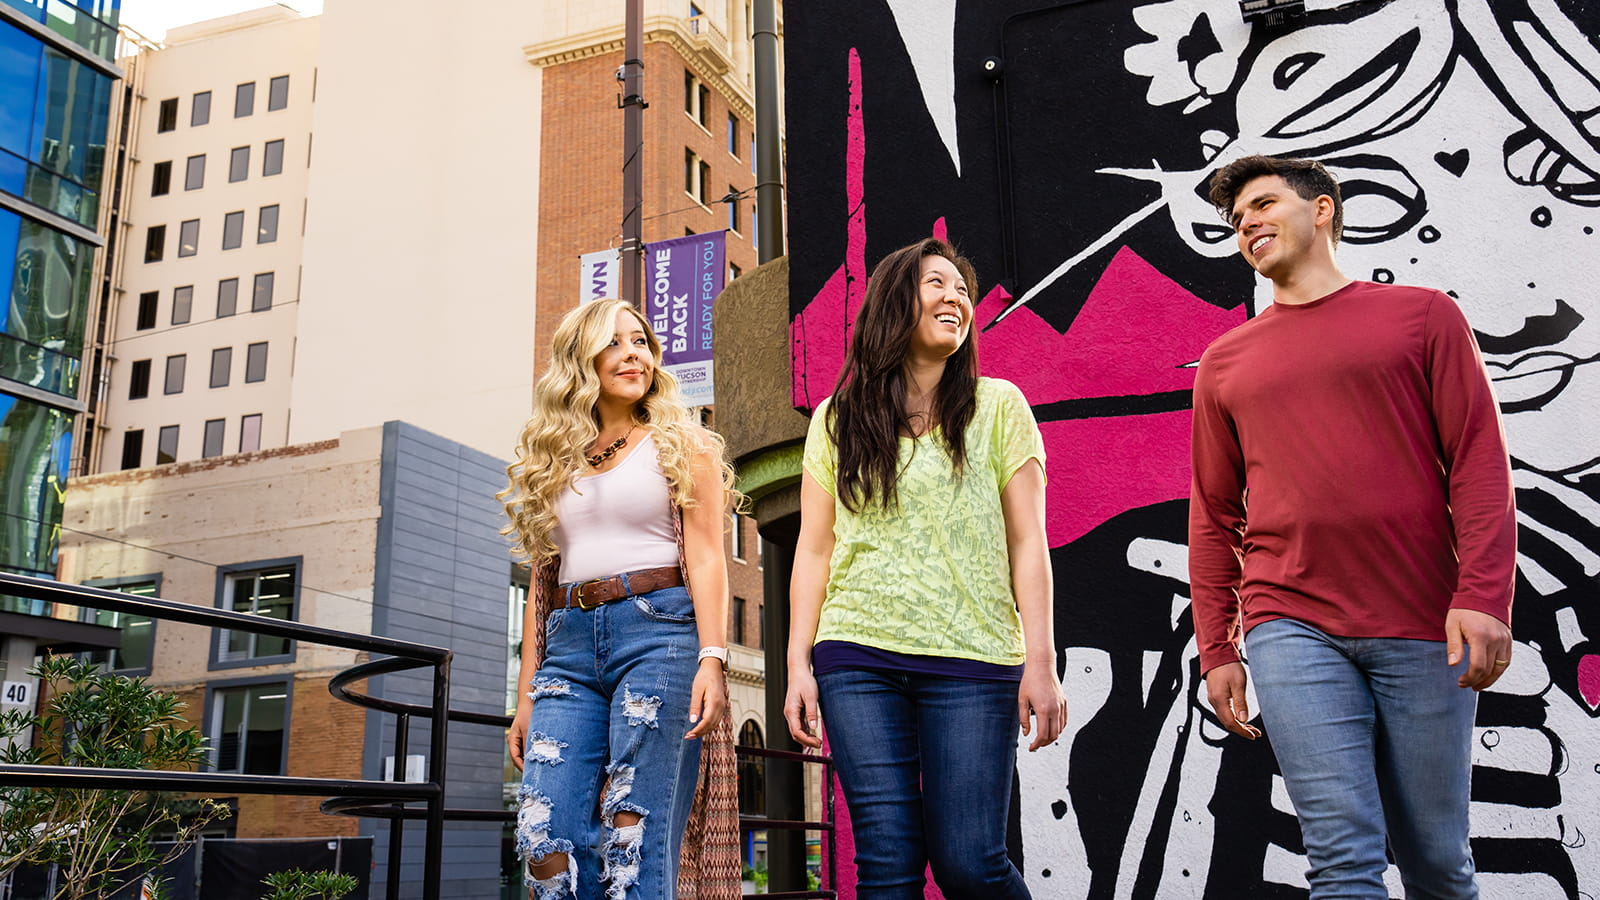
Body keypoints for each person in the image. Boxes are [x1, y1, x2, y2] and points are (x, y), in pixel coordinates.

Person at [1189, 155, 1517, 898]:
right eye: (1238, 220)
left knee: (1437, 861)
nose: (1248, 225)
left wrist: (1485, 596)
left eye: (1264, 205)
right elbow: (1213, 516)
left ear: (1324, 209)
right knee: (1342, 859)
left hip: (1424, 623)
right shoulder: (1225, 362)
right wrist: (1219, 648)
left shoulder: (1423, 316)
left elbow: (1478, 461)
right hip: (1290, 623)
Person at [784, 238, 1066, 899]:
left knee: (970, 862)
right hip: (857, 656)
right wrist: (799, 661)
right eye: (937, 284)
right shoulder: (837, 419)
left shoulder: (1000, 407)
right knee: (886, 863)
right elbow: (815, 547)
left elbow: (1029, 542)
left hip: (971, 658)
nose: (957, 298)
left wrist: (1041, 659)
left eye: (964, 290)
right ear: (893, 303)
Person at [502, 298, 739, 900]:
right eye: (615, 343)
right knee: (543, 836)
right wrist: (527, 694)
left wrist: (713, 655)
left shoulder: (682, 443)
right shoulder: (552, 457)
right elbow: (542, 586)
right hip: (569, 649)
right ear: (581, 359)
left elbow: (708, 556)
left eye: (641, 341)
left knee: (633, 834)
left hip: (659, 635)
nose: (634, 354)